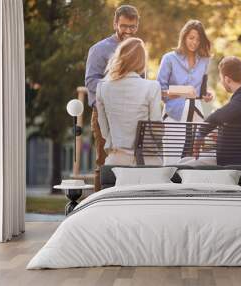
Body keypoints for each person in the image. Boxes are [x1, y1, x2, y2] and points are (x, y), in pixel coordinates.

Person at [85, 5, 139, 191]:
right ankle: (99, 208)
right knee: (104, 162)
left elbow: (142, 82)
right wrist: (116, 90)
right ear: (115, 23)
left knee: (130, 163)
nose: (128, 31)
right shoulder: (99, 50)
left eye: (132, 27)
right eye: (124, 26)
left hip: (131, 116)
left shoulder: (137, 50)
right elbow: (91, 82)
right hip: (104, 115)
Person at [187, 56, 241, 166]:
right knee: (184, 162)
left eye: (221, 78)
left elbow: (218, 116)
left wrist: (200, 134)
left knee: (184, 167)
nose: (221, 82)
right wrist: (221, 135)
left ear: (227, 79)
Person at [96, 38, 162, 166]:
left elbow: (104, 132)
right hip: (146, 161)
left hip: (116, 160)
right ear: (141, 61)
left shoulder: (102, 88)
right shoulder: (152, 87)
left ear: (119, 58)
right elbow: (156, 132)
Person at [157, 19, 213, 165]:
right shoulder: (169, 58)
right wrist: (178, 93)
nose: (194, 42)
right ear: (184, 37)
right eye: (191, 38)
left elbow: (201, 91)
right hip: (174, 114)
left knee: (193, 161)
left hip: (195, 114)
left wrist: (206, 95)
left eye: (198, 39)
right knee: (172, 161)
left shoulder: (204, 61)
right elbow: (159, 90)